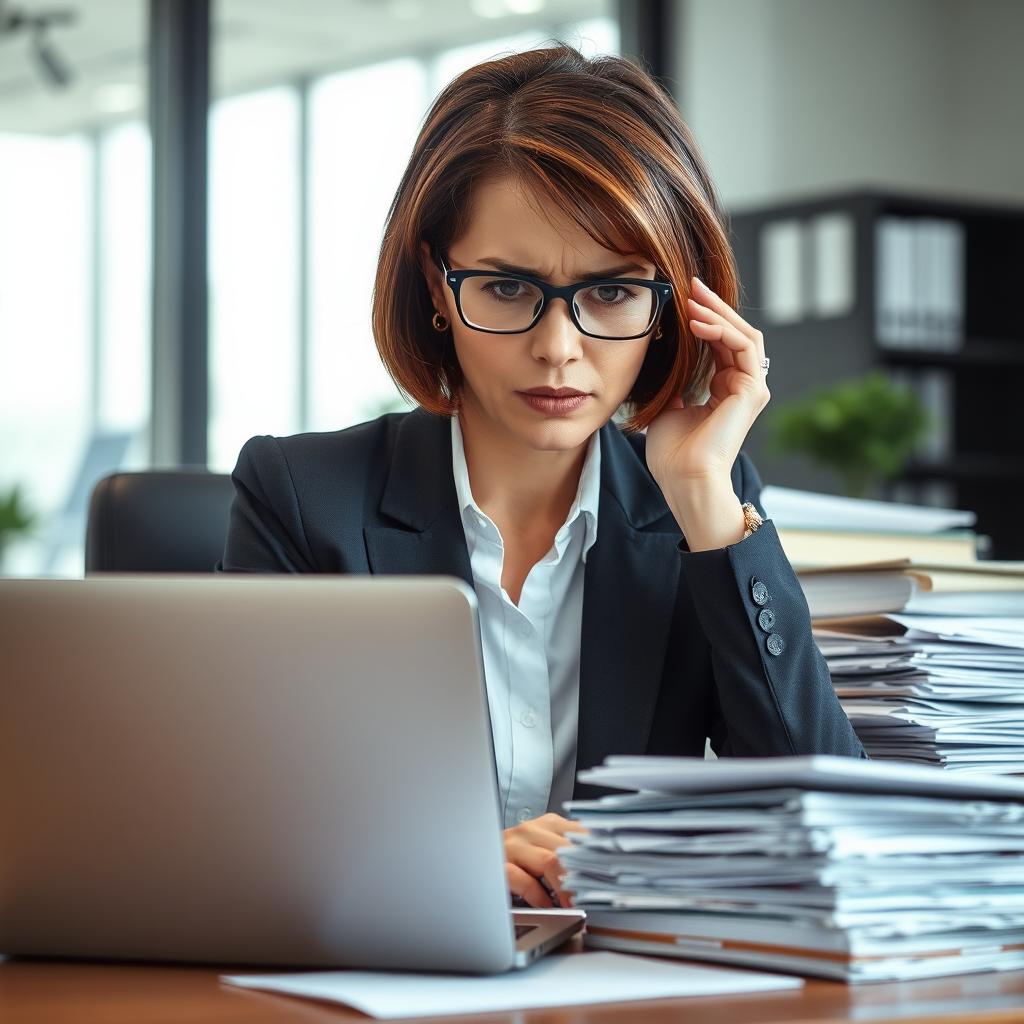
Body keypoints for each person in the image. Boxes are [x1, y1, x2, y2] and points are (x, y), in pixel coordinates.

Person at [216, 43, 866, 912]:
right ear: (436, 286)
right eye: (507, 286)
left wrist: (708, 498)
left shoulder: (696, 503)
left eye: (610, 294)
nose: (558, 348)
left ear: (674, 304)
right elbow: (237, 816)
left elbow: (831, 825)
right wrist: (444, 867)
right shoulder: (302, 497)